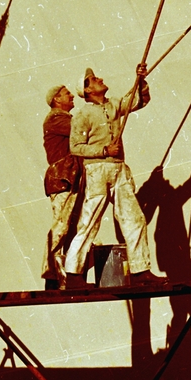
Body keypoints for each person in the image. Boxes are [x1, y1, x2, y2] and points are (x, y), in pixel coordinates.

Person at [63, 65, 158, 289]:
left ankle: (140, 270)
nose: (100, 78)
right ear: (87, 90)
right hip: (97, 170)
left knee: (134, 218)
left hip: (118, 169)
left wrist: (140, 80)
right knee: (90, 222)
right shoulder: (83, 115)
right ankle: (73, 275)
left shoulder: (113, 105)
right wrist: (104, 150)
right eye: (94, 79)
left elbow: (136, 101)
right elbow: (76, 147)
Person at [41, 85, 82, 289]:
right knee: (61, 225)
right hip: (63, 177)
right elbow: (81, 128)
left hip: (69, 177)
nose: (72, 95)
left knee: (70, 227)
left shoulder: (61, 119)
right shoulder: (56, 119)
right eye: (67, 94)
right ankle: (52, 274)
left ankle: (65, 276)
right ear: (57, 99)